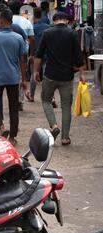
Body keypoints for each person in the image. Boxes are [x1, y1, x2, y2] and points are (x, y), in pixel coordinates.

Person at [34, 12, 85, 146]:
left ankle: (54, 125)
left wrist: (35, 71)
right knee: (66, 106)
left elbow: (38, 54)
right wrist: (82, 74)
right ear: (67, 21)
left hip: (50, 74)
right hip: (67, 76)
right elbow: (78, 56)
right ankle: (65, 138)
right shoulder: (72, 33)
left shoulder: (47, 33)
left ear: (53, 20)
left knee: (45, 100)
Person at [0, 8, 29, 146]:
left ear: (1, 21)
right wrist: (24, 79)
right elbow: (22, 60)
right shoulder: (19, 38)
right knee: (13, 107)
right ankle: (12, 137)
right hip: (13, 77)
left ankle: (1, 126)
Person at [9, 0, 35, 111]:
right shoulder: (26, 21)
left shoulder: (6, 21)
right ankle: (19, 100)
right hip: (22, 54)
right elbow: (32, 38)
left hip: (8, 52)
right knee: (21, 75)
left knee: (10, 77)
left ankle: (13, 100)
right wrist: (32, 54)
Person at [29, 7, 49, 101]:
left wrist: (31, 54)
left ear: (33, 16)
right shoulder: (47, 27)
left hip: (36, 54)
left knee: (34, 74)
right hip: (46, 54)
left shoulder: (32, 28)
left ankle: (32, 96)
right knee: (46, 75)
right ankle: (49, 97)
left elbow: (31, 43)